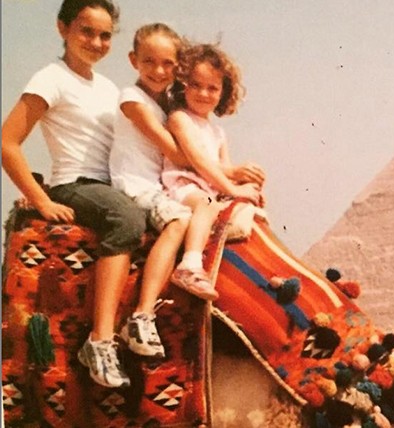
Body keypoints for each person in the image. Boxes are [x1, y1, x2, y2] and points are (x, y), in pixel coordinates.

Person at [1, 0, 138, 388]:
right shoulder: (51, 78)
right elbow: (8, 143)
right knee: (127, 219)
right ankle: (100, 340)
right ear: (63, 29)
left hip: (110, 183)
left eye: (105, 35)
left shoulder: (109, 87)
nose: (96, 41)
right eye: (86, 31)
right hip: (76, 183)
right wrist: (42, 199)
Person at [108, 23, 197, 362]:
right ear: (134, 61)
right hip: (135, 187)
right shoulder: (133, 100)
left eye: (168, 64)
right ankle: (142, 316)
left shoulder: (166, 107)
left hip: (158, 187)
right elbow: (177, 153)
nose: (159, 71)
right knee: (180, 219)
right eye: (150, 62)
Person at [162, 43, 264, 294]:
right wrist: (231, 186)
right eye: (195, 85)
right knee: (208, 203)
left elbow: (224, 168)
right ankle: (190, 266)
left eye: (212, 88)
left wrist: (245, 185)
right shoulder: (179, 119)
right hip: (184, 187)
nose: (203, 93)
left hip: (210, 189)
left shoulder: (218, 132)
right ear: (182, 85)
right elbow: (198, 160)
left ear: (223, 92)